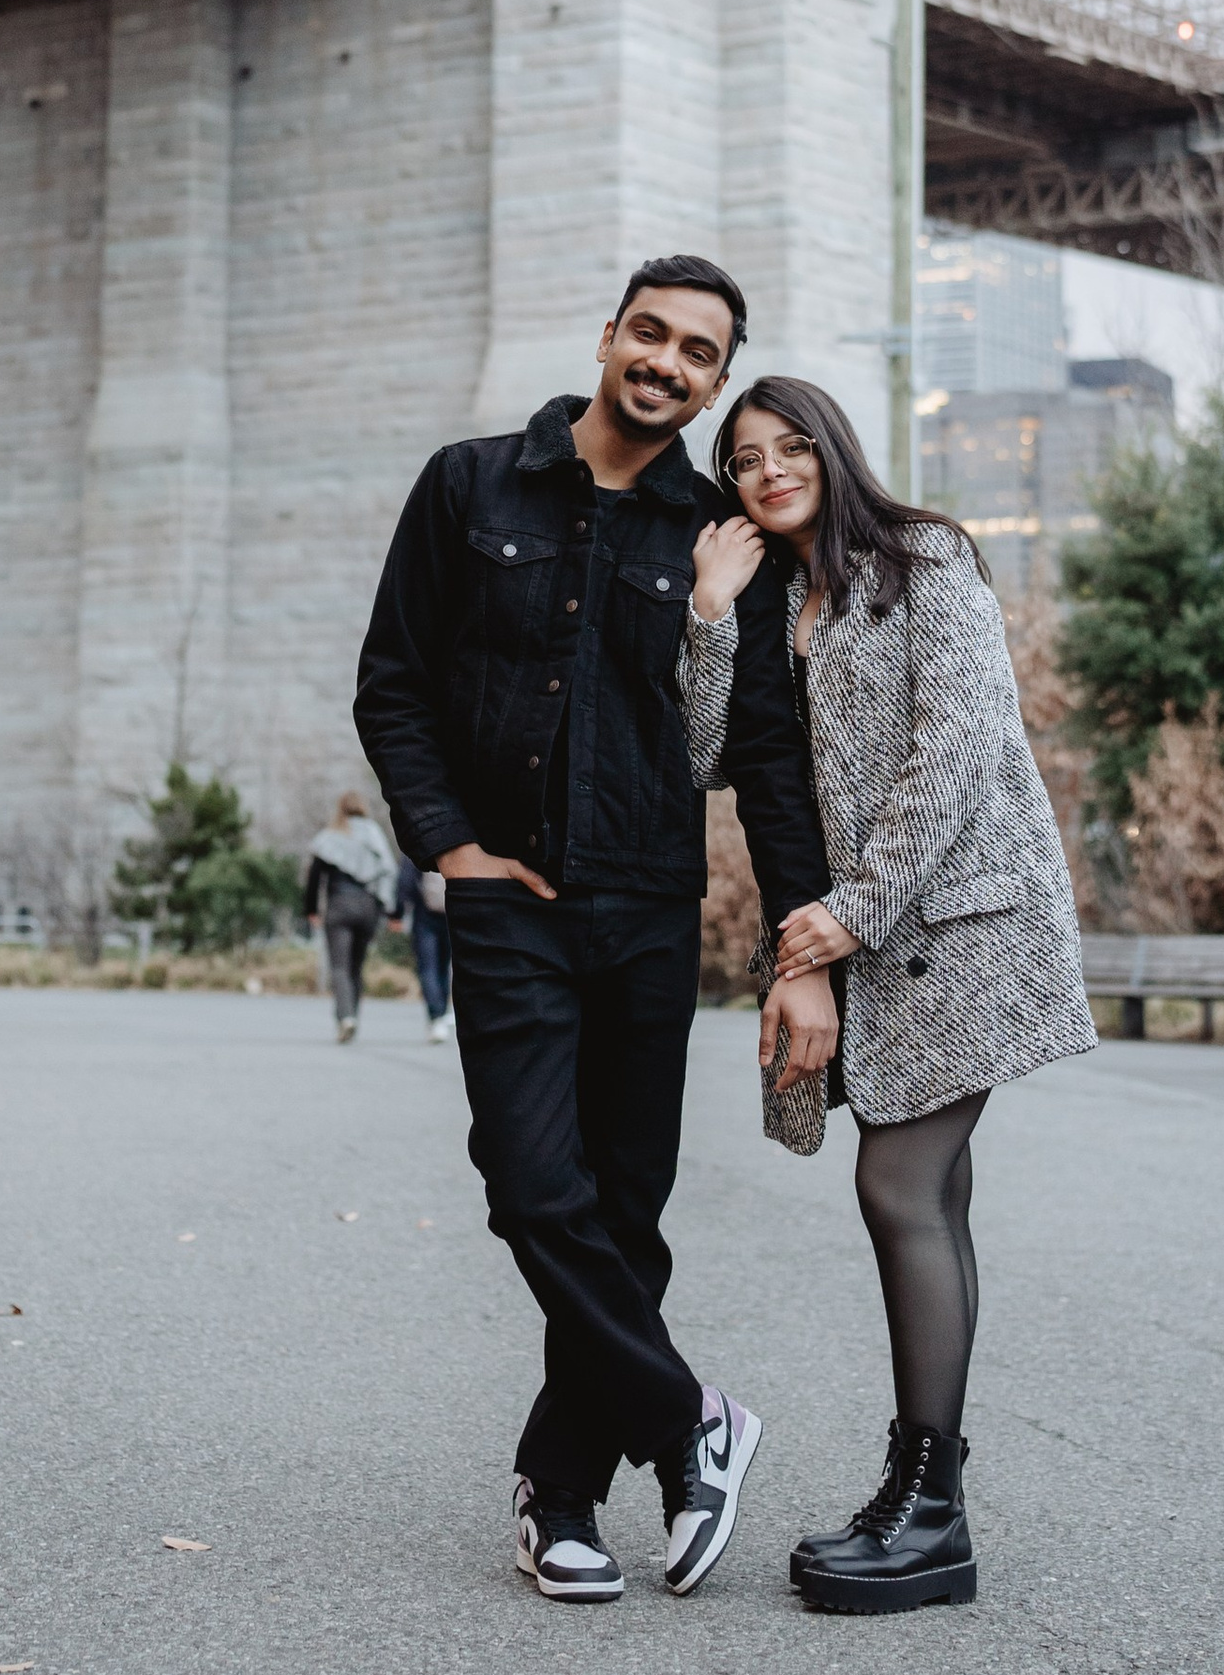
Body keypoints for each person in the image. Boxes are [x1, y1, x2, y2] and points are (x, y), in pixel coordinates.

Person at [356, 256, 835, 1605]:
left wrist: (802, 949)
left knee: (626, 1210)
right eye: (652, 334)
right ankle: (690, 1424)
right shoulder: (469, 486)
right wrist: (453, 848)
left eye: (698, 353)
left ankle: (557, 1495)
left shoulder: (720, 538)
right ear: (610, 336)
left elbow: (764, 761)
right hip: (509, 901)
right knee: (529, 1184)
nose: (667, 363)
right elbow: (394, 684)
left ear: (715, 383)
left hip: (647, 907)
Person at [684, 375, 1094, 1616]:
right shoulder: (772, 601)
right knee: (933, 1193)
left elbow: (954, 752)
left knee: (898, 1184)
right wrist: (709, 613)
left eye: (789, 447)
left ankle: (926, 1509)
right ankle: (925, 1503)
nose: (768, 471)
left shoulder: (925, 562)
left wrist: (846, 918)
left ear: (832, 450)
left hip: (959, 925)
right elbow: (707, 757)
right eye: (743, 460)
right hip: (865, 938)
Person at [306, 792, 397, 1042]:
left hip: (339, 905)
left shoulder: (330, 836)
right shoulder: (374, 834)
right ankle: (353, 1015)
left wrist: (311, 910)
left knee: (339, 967)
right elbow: (388, 870)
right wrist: (388, 906)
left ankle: (346, 1018)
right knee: (356, 967)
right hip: (368, 906)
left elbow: (315, 877)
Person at [395, 847, 454, 1043]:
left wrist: (399, 910)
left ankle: (436, 1016)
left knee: (428, 966)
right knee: (443, 966)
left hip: (425, 914)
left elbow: (406, 879)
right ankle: (442, 1013)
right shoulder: (455, 839)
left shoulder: (421, 839)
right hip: (451, 910)